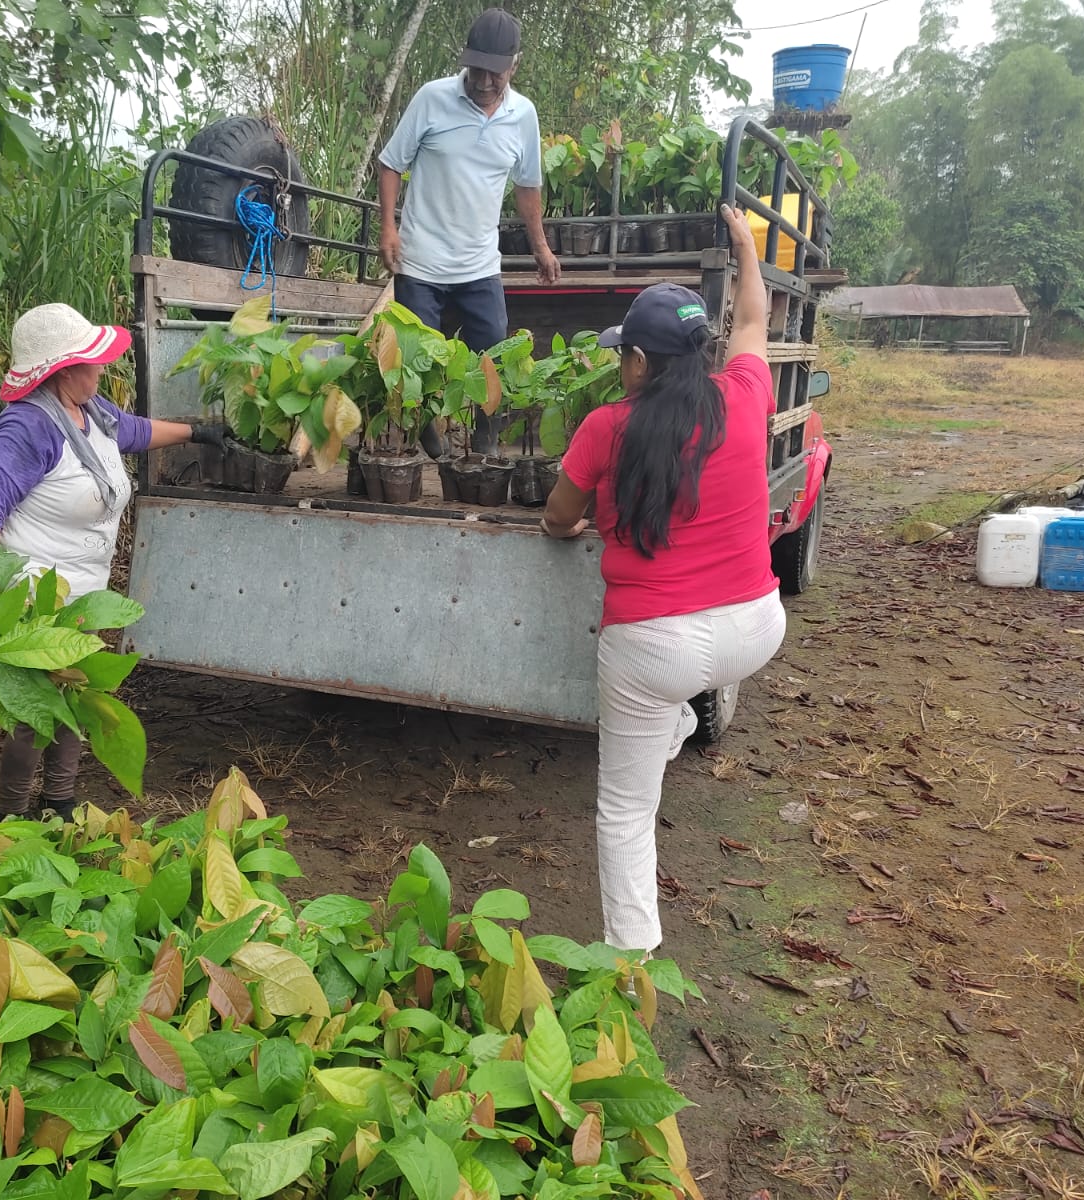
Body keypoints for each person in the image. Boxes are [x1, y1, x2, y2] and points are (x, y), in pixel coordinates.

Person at [540, 204, 787, 958]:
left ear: (640, 363)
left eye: (624, 354)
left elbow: (557, 517)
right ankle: (678, 723)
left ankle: (631, 964)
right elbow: (754, 320)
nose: (621, 365)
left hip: (655, 646)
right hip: (755, 628)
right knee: (674, 696)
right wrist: (748, 249)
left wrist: (572, 528)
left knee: (625, 812)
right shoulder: (744, 395)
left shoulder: (606, 426)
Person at [0, 302, 224, 821]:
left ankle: (59, 803)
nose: (102, 369)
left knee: (76, 696)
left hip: (83, 595)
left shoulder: (91, 412)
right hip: (33, 595)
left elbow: (134, 432)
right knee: (34, 711)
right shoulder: (28, 427)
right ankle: (9, 817)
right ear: (63, 370)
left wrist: (199, 433)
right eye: (92, 361)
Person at [376, 7, 560, 457]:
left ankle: (485, 442)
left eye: (495, 72)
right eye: (477, 69)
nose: (484, 81)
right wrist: (388, 228)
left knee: (492, 356)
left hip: (479, 264)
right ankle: (428, 439)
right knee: (416, 362)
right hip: (420, 261)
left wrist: (540, 246)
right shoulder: (432, 98)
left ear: (514, 66)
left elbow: (527, 186)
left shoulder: (523, 115)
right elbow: (391, 163)